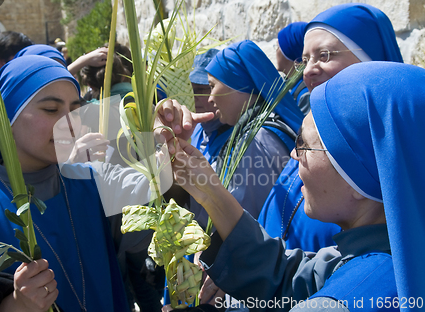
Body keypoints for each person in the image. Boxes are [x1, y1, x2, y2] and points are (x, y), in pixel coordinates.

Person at [170, 61, 424, 311]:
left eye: (303, 143)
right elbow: (289, 281)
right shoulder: (386, 255)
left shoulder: (339, 301)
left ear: (358, 175)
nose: (293, 154)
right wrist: (208, 189)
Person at [0, 56, 127, 312]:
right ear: (6, 119)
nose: (70, 124)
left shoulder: (94, 184)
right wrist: (13, 306)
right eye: (52, 110)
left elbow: (147, 237)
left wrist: (171, 151)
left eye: (75, 110)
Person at [258, 3, 403, 252]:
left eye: (324, 55)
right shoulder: (311, 135)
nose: (309, 71)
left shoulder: (390, 152)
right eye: (305, 60)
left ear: (370, 59)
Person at [189, 40, 303, 227]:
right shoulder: (255, 130)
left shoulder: (257, 140)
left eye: (211, 86)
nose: (210, 98)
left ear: (236, 84)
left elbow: (241, 220)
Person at [189, 48, 233, 164]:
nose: (193, 96)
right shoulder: (194, 129)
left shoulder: (236, 139)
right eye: (190, 89)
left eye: (201, 89)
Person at [275, 22, 310, 115]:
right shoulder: (289, 86)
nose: (276, 50)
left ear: (288, 52)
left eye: (278, 46)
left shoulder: (305, 94)